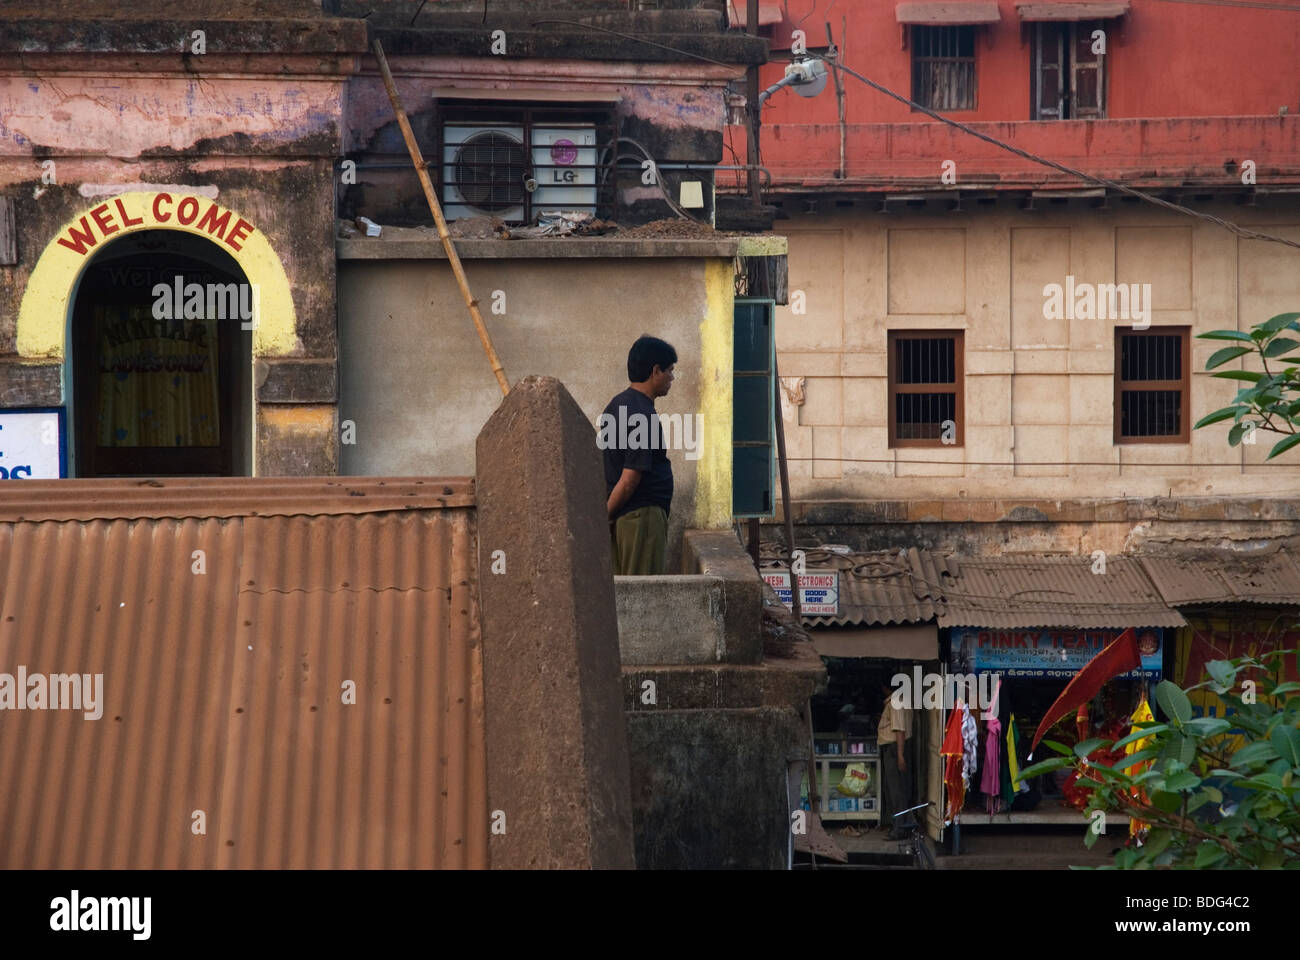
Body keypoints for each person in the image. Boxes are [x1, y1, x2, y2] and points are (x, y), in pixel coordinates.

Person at [601, 335, 677, 576]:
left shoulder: (616, 405)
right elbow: (629, 477)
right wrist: (606, 516)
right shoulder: (640, 413)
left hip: (627, 519)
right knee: (642, 598)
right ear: (655, 371)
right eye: (670, 371)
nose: (672, 378)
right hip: (641, 519)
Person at [877, 677, 913, 839]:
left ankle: (899, 828)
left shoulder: (896, 702)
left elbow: (900, 730)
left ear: (886, 688)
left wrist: (899, 756)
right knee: (898, 788)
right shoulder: (902, 700)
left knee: (896, 790)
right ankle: (899, 825)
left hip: (895, 749)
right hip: (897, 748)